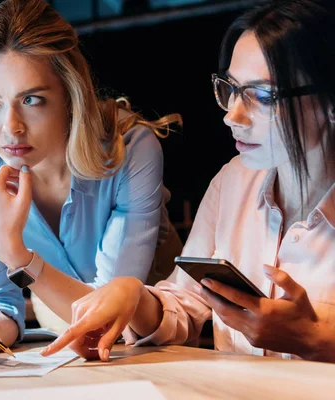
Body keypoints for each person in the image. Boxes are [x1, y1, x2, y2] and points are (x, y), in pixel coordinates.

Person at [41, 0, 335, 363]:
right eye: (231, 89)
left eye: (262, 96)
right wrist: (133, 295)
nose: (232, 115)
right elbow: (186, 304)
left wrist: (315, 338)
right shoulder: (232, 182)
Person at [0, 0, 183, 367]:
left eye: (32, 99)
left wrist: (16, 254)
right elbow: (0, 301)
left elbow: (106, 315)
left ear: (72, 96)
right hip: (72, 342)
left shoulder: (129, 148)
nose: (10, 128)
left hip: (163, 343)